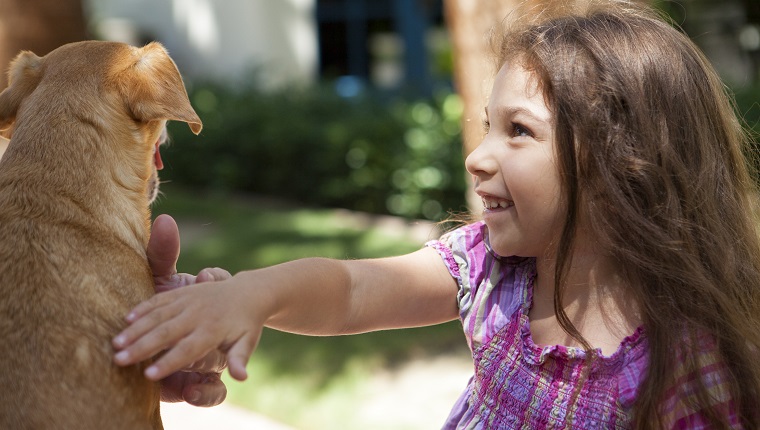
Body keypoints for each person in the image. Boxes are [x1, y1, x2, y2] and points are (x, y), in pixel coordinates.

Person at [114, 1, 760, 428]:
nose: (479, 157)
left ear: (626, 162)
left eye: (519, 132)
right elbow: (354, 291)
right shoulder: (495, 270)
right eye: (487, 126)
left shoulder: (689, 362)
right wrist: (247, 298)